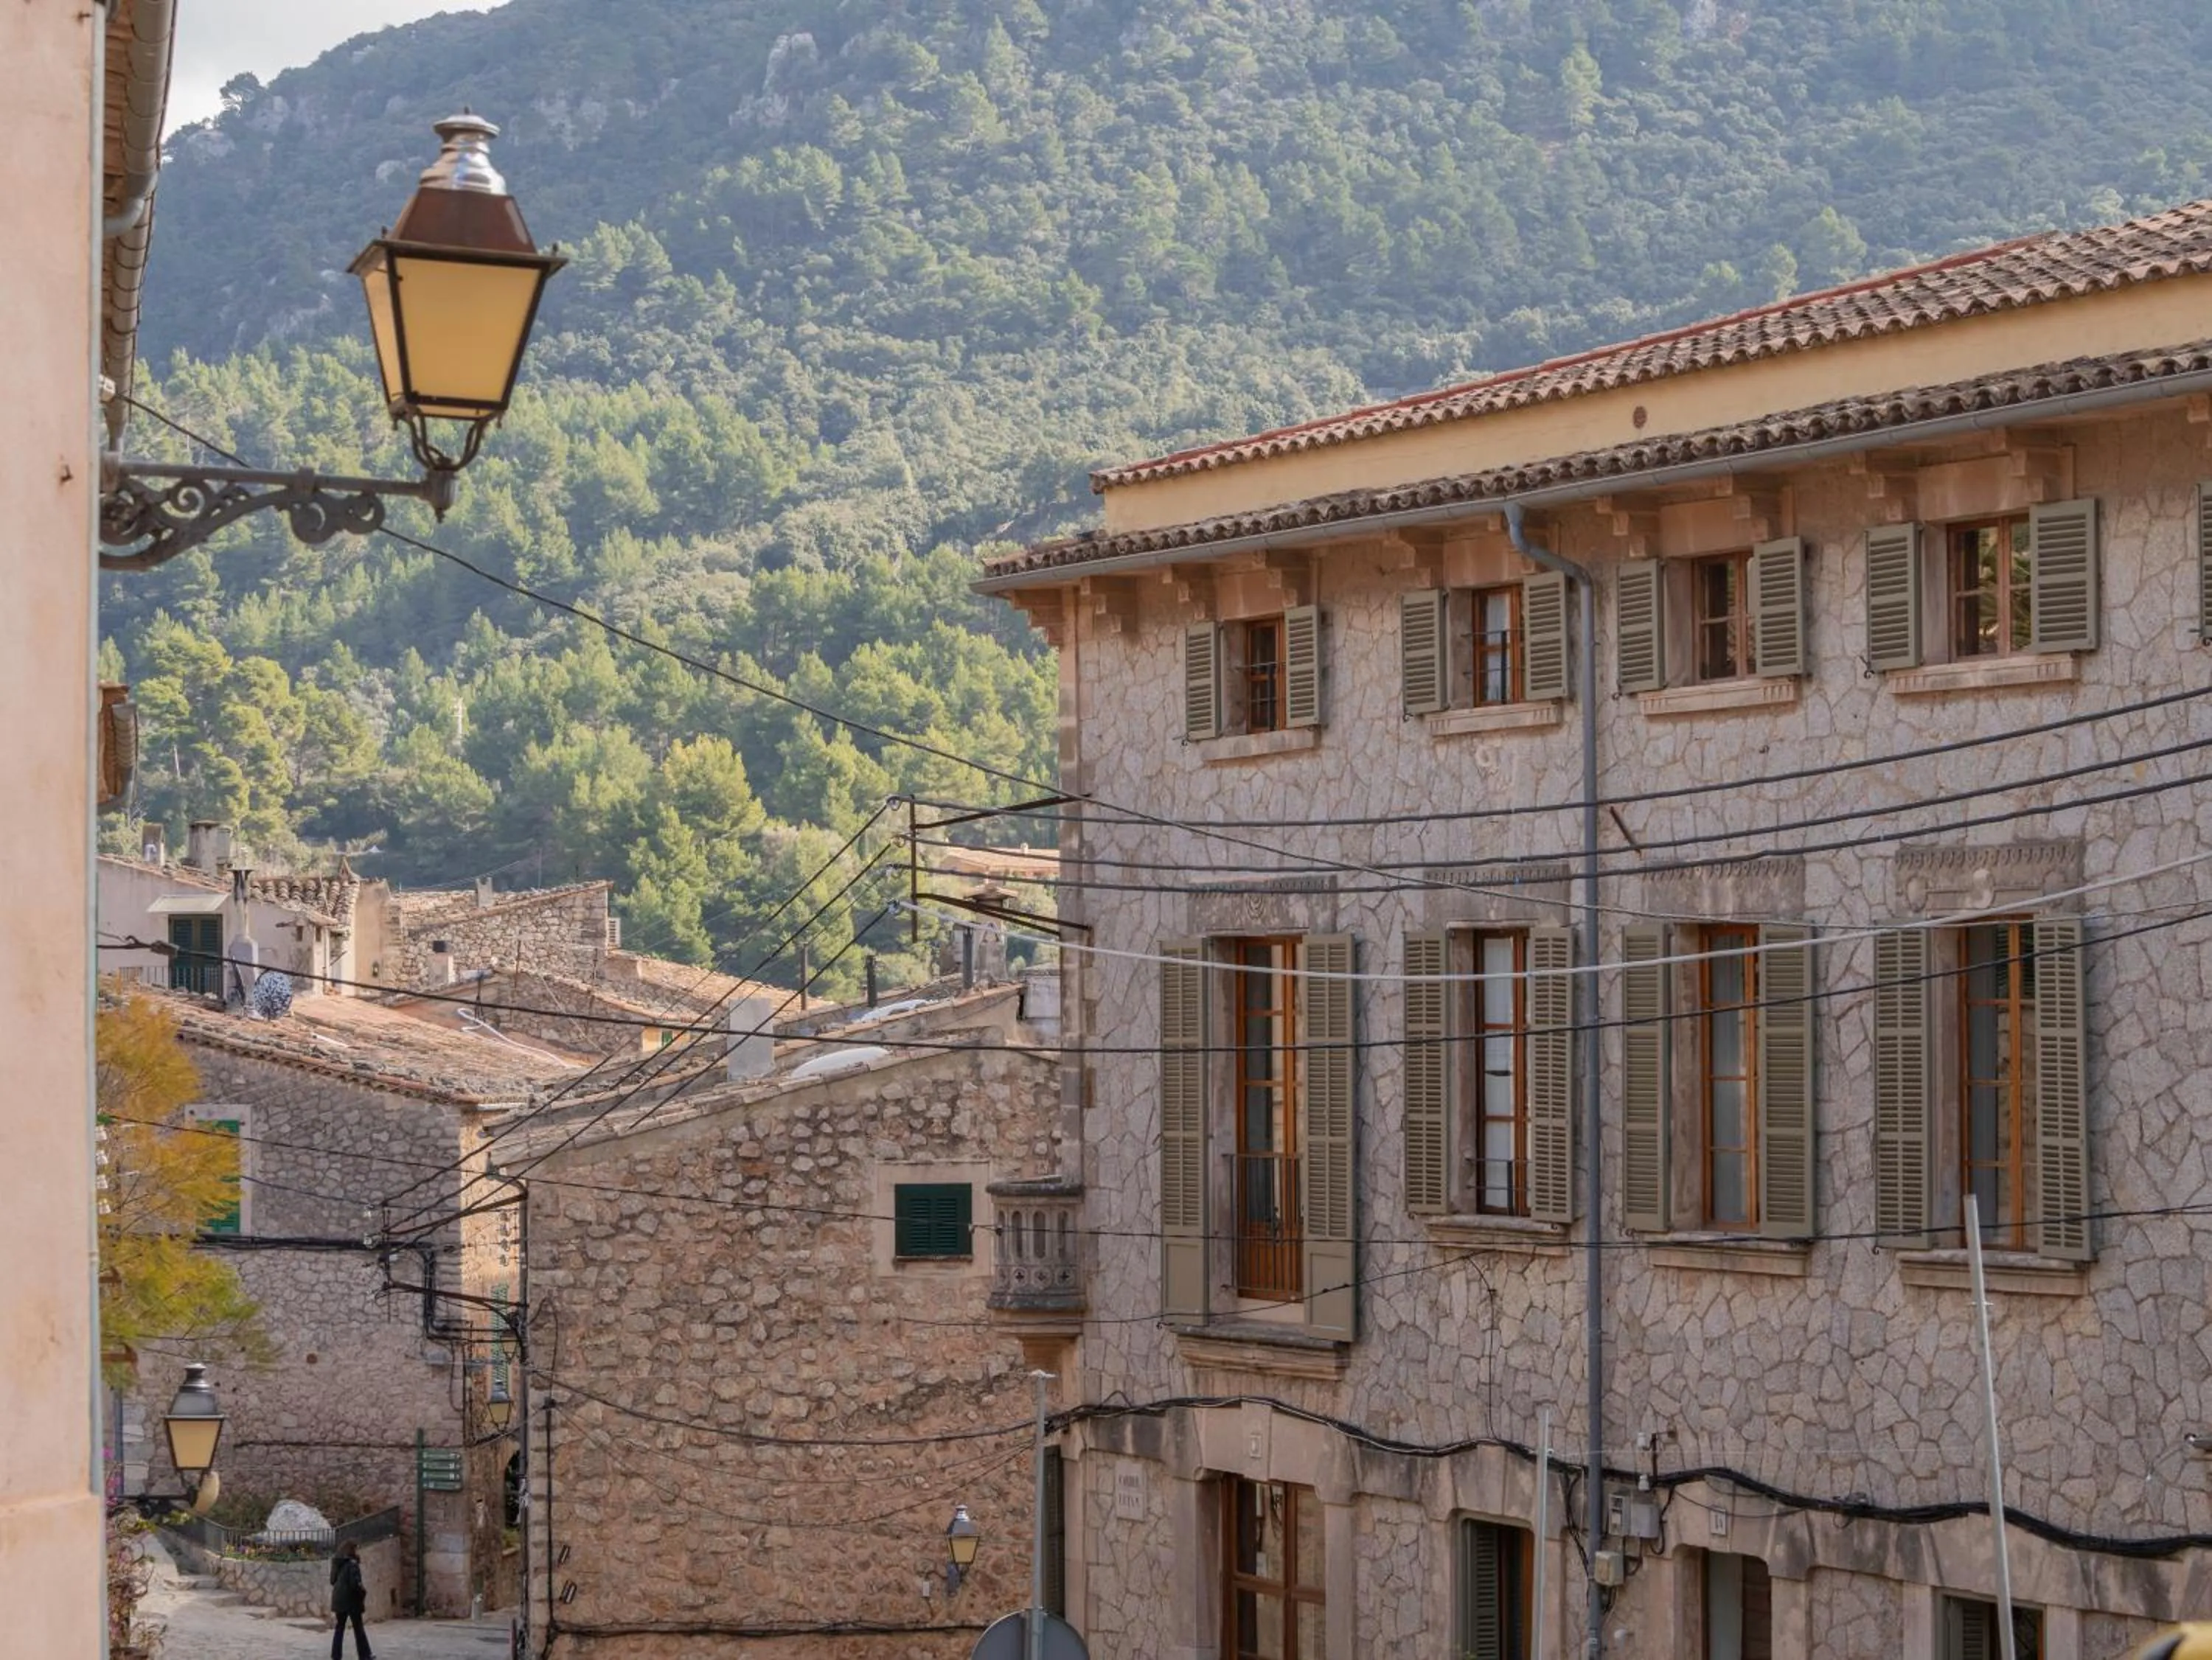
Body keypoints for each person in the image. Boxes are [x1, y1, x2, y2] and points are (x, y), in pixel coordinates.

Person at [329, 1538, 372, 1660]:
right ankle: (365, 1655)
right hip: (352, 1601)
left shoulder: (337, 1562)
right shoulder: (352, 1564)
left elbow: (332, 1581)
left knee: (339, 1628)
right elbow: (355, 1584)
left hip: (338, 1599)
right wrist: (363, 1592)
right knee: (358, 1629)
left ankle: (336, 1655)